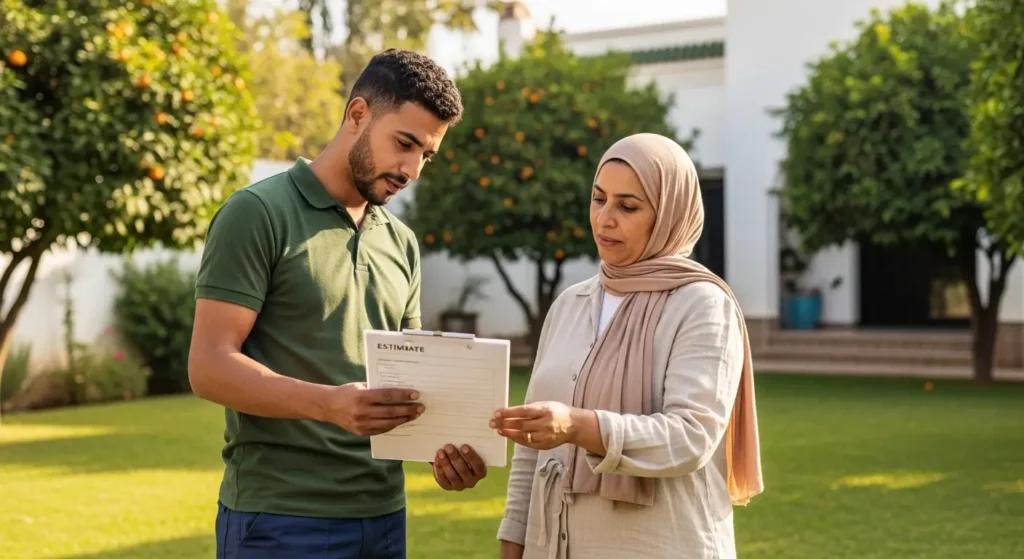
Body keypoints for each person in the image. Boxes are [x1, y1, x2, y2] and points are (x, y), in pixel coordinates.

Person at [187, 49, 488, 559]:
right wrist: (331, 405)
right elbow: (209, 367)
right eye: (405, 144)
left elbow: (411, 379)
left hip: (384, 517)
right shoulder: (257, 213)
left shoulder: (401, 242)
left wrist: (448, 450)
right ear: (357, 114)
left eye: (427, 155)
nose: (412, 169)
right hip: (280, 519)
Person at [490, 133, 764, 559]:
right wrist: (513, 545)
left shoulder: (702, 305)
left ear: (669, 214)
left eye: (628, 206)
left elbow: (691, 437)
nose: (605, 219)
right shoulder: (570, 304)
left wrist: (579, 426)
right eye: (599, 199)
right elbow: (531, 453)